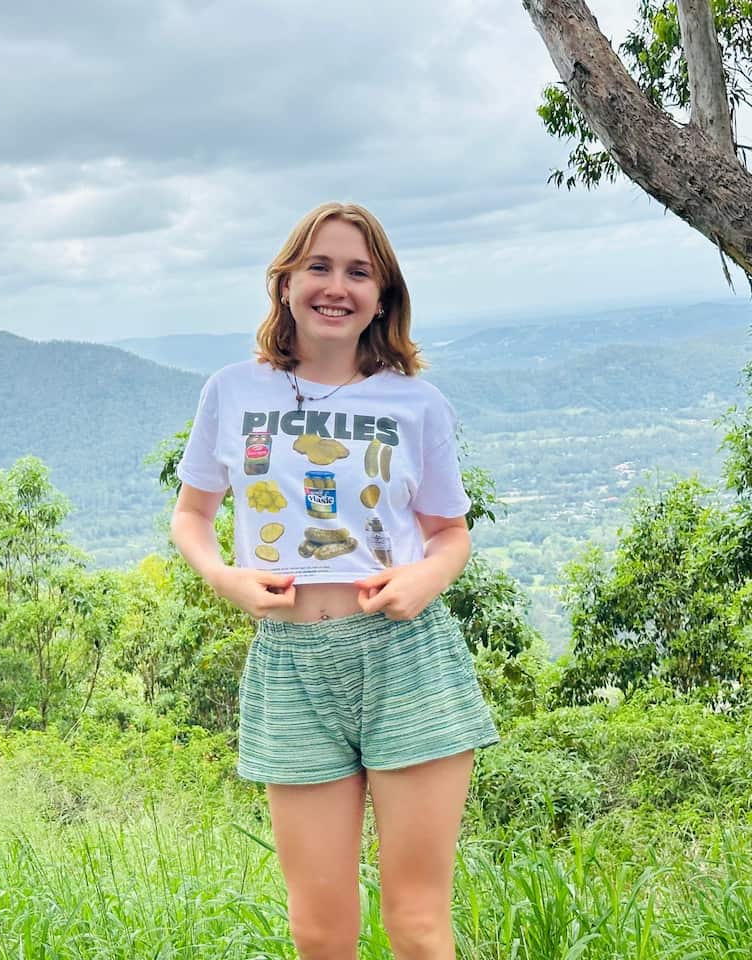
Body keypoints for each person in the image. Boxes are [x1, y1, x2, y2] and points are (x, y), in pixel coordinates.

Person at [170, 201, 498, 960]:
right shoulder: (233, 391)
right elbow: (190, 515)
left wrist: (425, 580)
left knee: (416, 922)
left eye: (359, 272)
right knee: (319, 930)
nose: (336, 286)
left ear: (382, 297)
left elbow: (451, 534)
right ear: (285, 283)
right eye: (319, 266)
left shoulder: (416, 403)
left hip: (406, 657)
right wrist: (226, 578)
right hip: (290, 665)